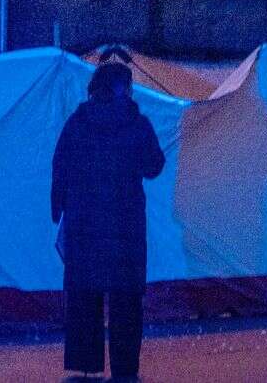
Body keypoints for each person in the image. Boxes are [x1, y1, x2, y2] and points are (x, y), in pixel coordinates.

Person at [52, 62, 165, 381]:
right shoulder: (136, 123)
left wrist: (58, 206)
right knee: (126, 299)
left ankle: (85, 365)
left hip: (85, 225)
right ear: (125, 88)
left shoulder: (78, 122)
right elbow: (154, 165)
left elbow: (60, 164)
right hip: (124, 226)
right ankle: (125, 368)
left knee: (84, 293)